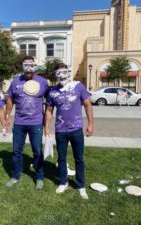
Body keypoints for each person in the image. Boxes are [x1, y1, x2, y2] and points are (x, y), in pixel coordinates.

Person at [44, 63, 94, 199]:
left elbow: (88, 105)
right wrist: (46, 127)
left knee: (79, 158)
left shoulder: (78, 87)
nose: (61, 75)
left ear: (68, 73)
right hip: (60, 130)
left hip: (76, 129)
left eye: (64, 72)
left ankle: (81, 185)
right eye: (58, 73)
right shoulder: (53, 91)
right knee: (61, 158)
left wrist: (90, 124)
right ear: (55, 75)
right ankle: (63, 182)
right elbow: (49, 110)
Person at [5, 56, 49, 190]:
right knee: (16, 151)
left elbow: (49, 102)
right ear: (22, 67)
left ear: (35, 66)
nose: (29, 69)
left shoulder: (43, 82)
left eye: (31, 65)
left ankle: (39, 177)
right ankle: (15, 176)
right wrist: (7, 115)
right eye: (26, 65)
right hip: (19, 123)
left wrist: (46, 121)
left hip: (36, 123)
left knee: (37, 151)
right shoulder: (15, 81)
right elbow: (10, 99)